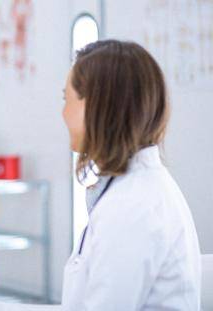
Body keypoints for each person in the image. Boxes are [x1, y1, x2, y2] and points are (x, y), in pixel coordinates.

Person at [61, 40, 201, 310]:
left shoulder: (132, 206)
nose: (63, 113)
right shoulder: (135, 189)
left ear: (97, 107)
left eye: (66, 99)